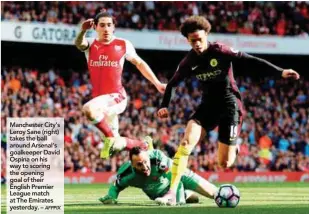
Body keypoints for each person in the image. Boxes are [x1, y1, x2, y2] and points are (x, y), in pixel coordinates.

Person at [155, 15, 300, 205]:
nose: (197, 44)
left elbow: (251, 60)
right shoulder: (188, 61)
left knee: (224, 163)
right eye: (193, 41)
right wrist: (164, 105)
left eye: (199, 39)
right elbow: (172, 84)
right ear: (187, 41)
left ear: (206, 35)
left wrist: (280, 71)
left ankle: (235, 147)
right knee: (185, 145)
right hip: (207, 107)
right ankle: (172, 193)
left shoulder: (220, 50)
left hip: (230, 106)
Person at [74, 10, 166, 159]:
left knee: (88, 109)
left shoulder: (123, 44)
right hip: (102, 102)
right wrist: (82, 31)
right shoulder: (91, 44)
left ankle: (110, 137)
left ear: (114, 27)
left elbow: (139, 63)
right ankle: (144, 145)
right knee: (117, 145)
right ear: (95, 27)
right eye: (102, 25)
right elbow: (79, 43)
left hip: (117, 96)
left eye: (109, 25)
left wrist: (156, 83)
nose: (106, 29)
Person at [98, 147, 217, 205]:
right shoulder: (127, 173)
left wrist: (179, 202)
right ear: (132, 165)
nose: (145, 167)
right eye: (139, 164)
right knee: (193, 199)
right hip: (158, 192)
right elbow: (116, 186)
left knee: (215, 194)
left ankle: (185, 195)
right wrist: (111, 196)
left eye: (145, 162)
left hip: (179, 174)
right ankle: (187, 194)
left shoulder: (159, 160)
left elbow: (176, 180)